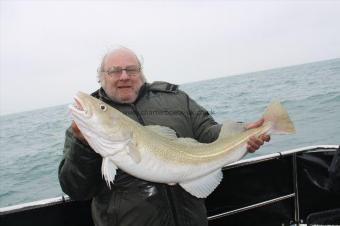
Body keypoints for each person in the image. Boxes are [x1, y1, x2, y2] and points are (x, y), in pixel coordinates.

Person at [58, 47, 270, 226]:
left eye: (131, 70)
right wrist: (82, 145)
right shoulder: (85, 126)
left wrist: (243, 133)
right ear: (102, 76)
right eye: (115, 71)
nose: (124, 76)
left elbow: (207, 132)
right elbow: (76, 189)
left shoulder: (175, 99)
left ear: (141, 73)